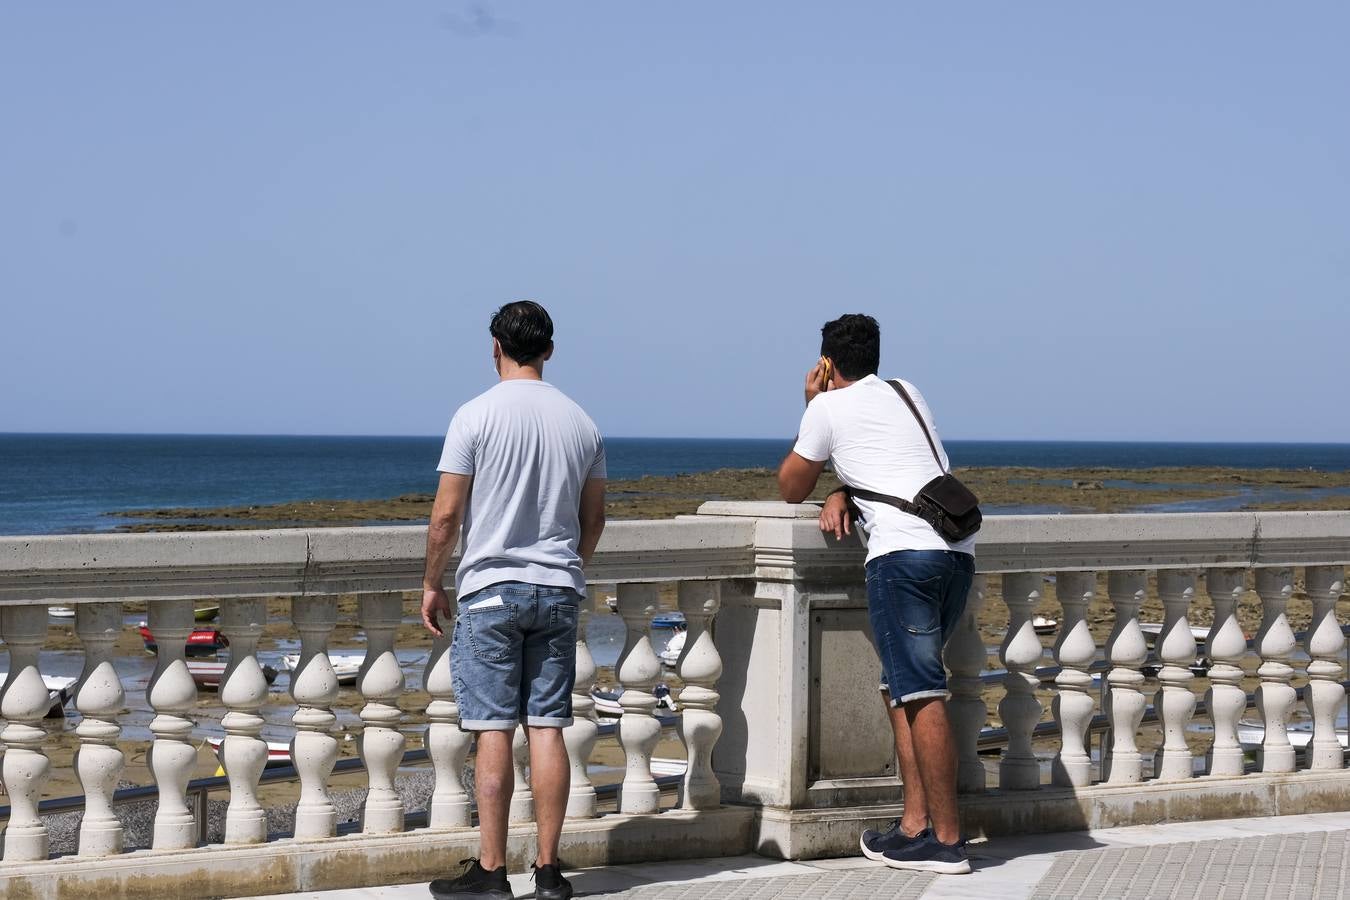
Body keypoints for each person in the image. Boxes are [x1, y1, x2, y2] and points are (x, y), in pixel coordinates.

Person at [777, 313, 975, 876]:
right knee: (902, 690)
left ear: (827, 363)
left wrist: (808, 401)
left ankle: (948, 840)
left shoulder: (826, 406)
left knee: (923, 691)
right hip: (955, 552)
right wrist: (843, 489)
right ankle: (914, 827)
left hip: (902, 557)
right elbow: (892, 462)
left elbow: (791, 486)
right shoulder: (905, 391)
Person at [421, 301, 607, 900]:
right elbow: (594, 518)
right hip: (556, 588)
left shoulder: (474, 416)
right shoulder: (582, 423)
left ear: (494, 346)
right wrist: (567, 565)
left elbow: (447, 517)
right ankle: (550, 871)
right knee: (548, 726)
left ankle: (492, 871)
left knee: (493, 729)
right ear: (549, 350)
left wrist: (431, 581)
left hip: (489, 592)